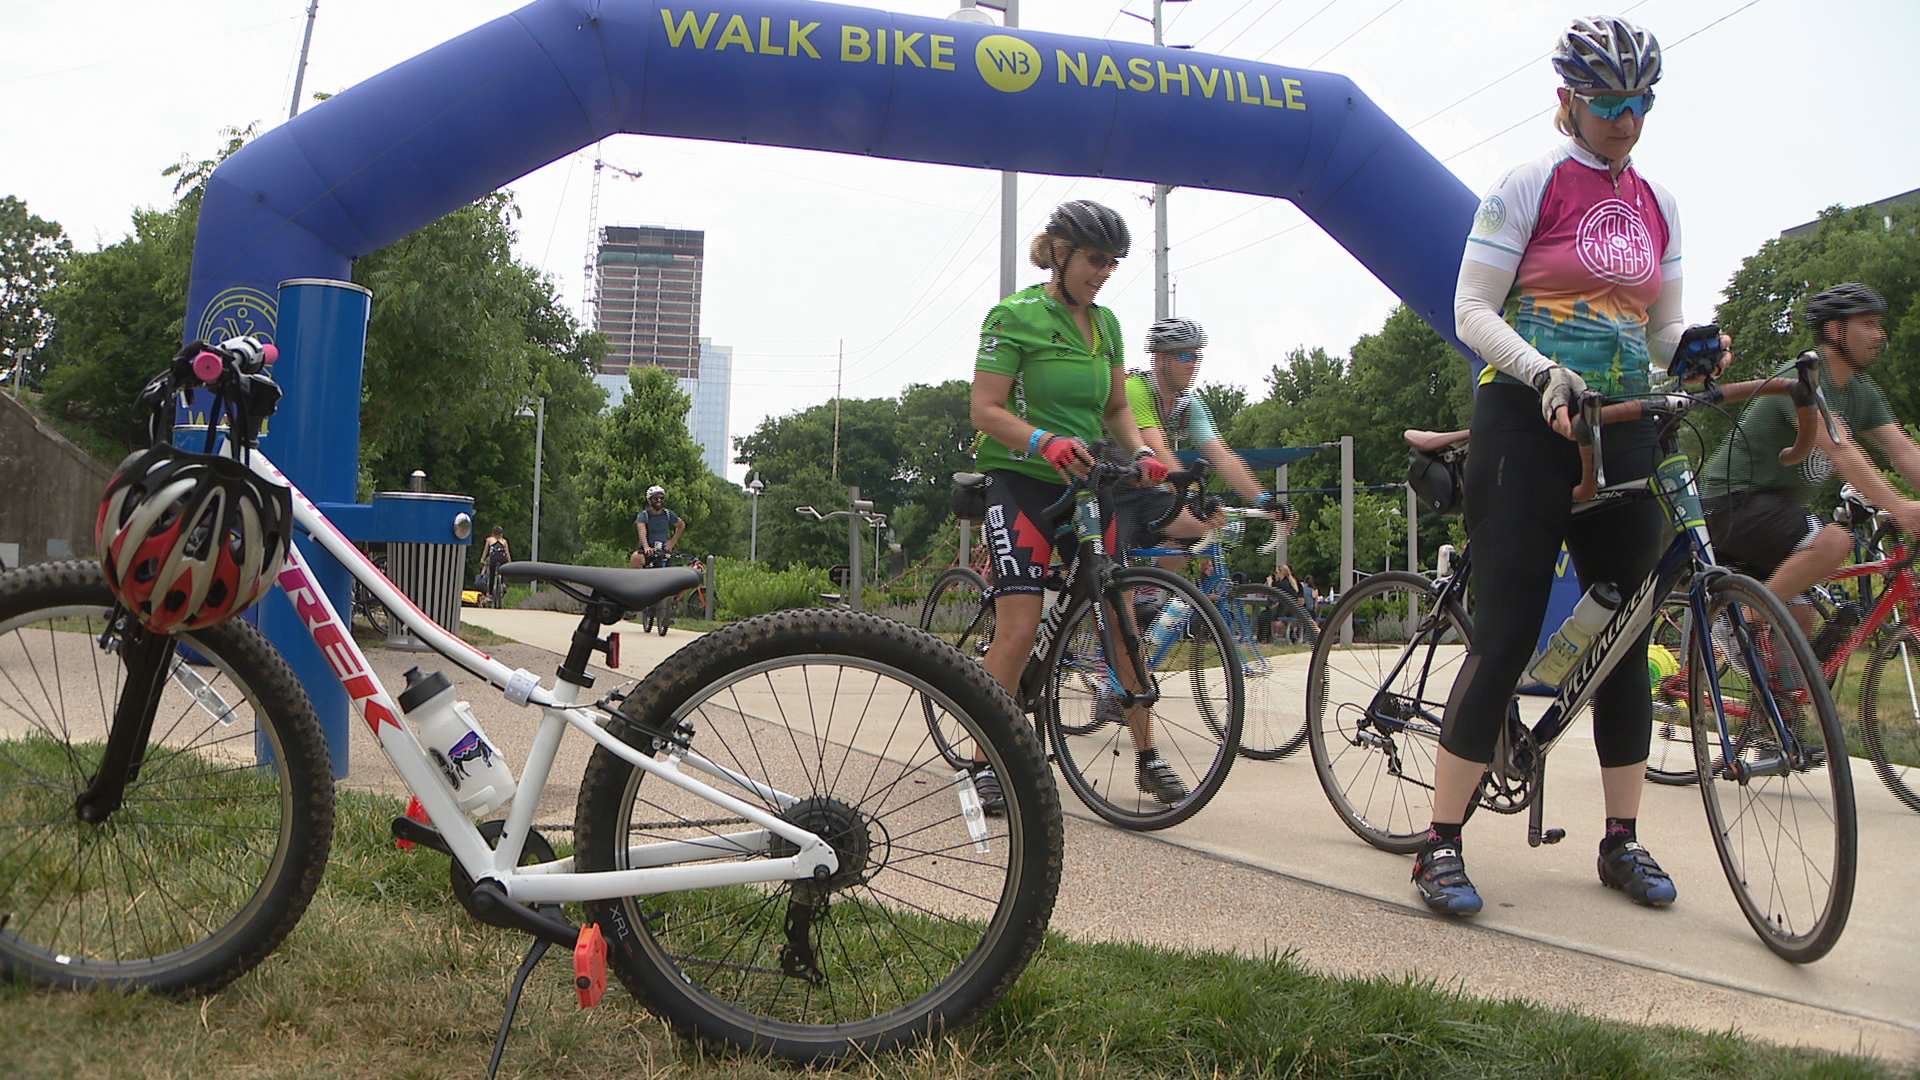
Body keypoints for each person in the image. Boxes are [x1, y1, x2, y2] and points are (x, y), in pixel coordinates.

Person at [1416, 15, 1722, 916]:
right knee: (1508, 633)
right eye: (1609, 103)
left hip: (1622, 422)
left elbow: (1658, 329)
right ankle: (1440, 843)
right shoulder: (1528, 183)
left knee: (1624, 634)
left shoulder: (1657, 201)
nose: (1628, 119)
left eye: (1642, 102)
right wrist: (1543, 370)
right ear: (1569, 103)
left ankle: (1620, 841)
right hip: (1525, 414)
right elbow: (1472, 307)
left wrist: (1693, 352)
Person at [968, 199, 1173, 813]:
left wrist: (1140, 450)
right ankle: (986, 760)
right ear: (1060, 253)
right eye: (1094, 259)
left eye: (1112, 263)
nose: (1103, 271)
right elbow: (985, 409)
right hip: (1022, 480)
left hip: (1085, 485)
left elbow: (1114, 410)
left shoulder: (1105, 324)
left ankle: (1146, 758)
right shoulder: (1015, 316)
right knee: (1020, 625)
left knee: (1121, 620)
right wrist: (1041, 439)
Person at [1701, 283, 1920, 642]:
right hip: (1732, 503)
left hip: (1774, 515)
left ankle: (1778, 696)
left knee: (1797, 626)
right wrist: (1899, 506)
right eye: (1869, 324)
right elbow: (1840, 448)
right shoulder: (1800, 380)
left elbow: (1903, 451)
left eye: (1880, 325)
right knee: (1835, 541)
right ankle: (1739, 621)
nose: (1880, 335)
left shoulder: (1861, 390)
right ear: (1835, 330)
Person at [1114, 316, 1281, 561]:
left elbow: (1223, 457)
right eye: (1184, 356)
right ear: (1160, 359)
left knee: (1199, 529)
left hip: (1148, 491)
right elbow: (1157, 449)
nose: (1193, 364)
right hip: (1112, 489)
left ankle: (1156, 593)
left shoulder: (1188, 404)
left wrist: (1265, 500)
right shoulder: (1136, 389)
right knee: (1115, 582)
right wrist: (1194, 498)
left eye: (1197, 356)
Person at [630, 485, 686, 569]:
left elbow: (681, 525)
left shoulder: (668, 514)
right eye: (655, 498)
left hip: (663, 550)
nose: (659, 500)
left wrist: (672, 542)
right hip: (648, 550)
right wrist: (646, 547)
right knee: (636, 558)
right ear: (649, 500)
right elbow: (641, 530)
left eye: (661, 498)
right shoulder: (644, 515)